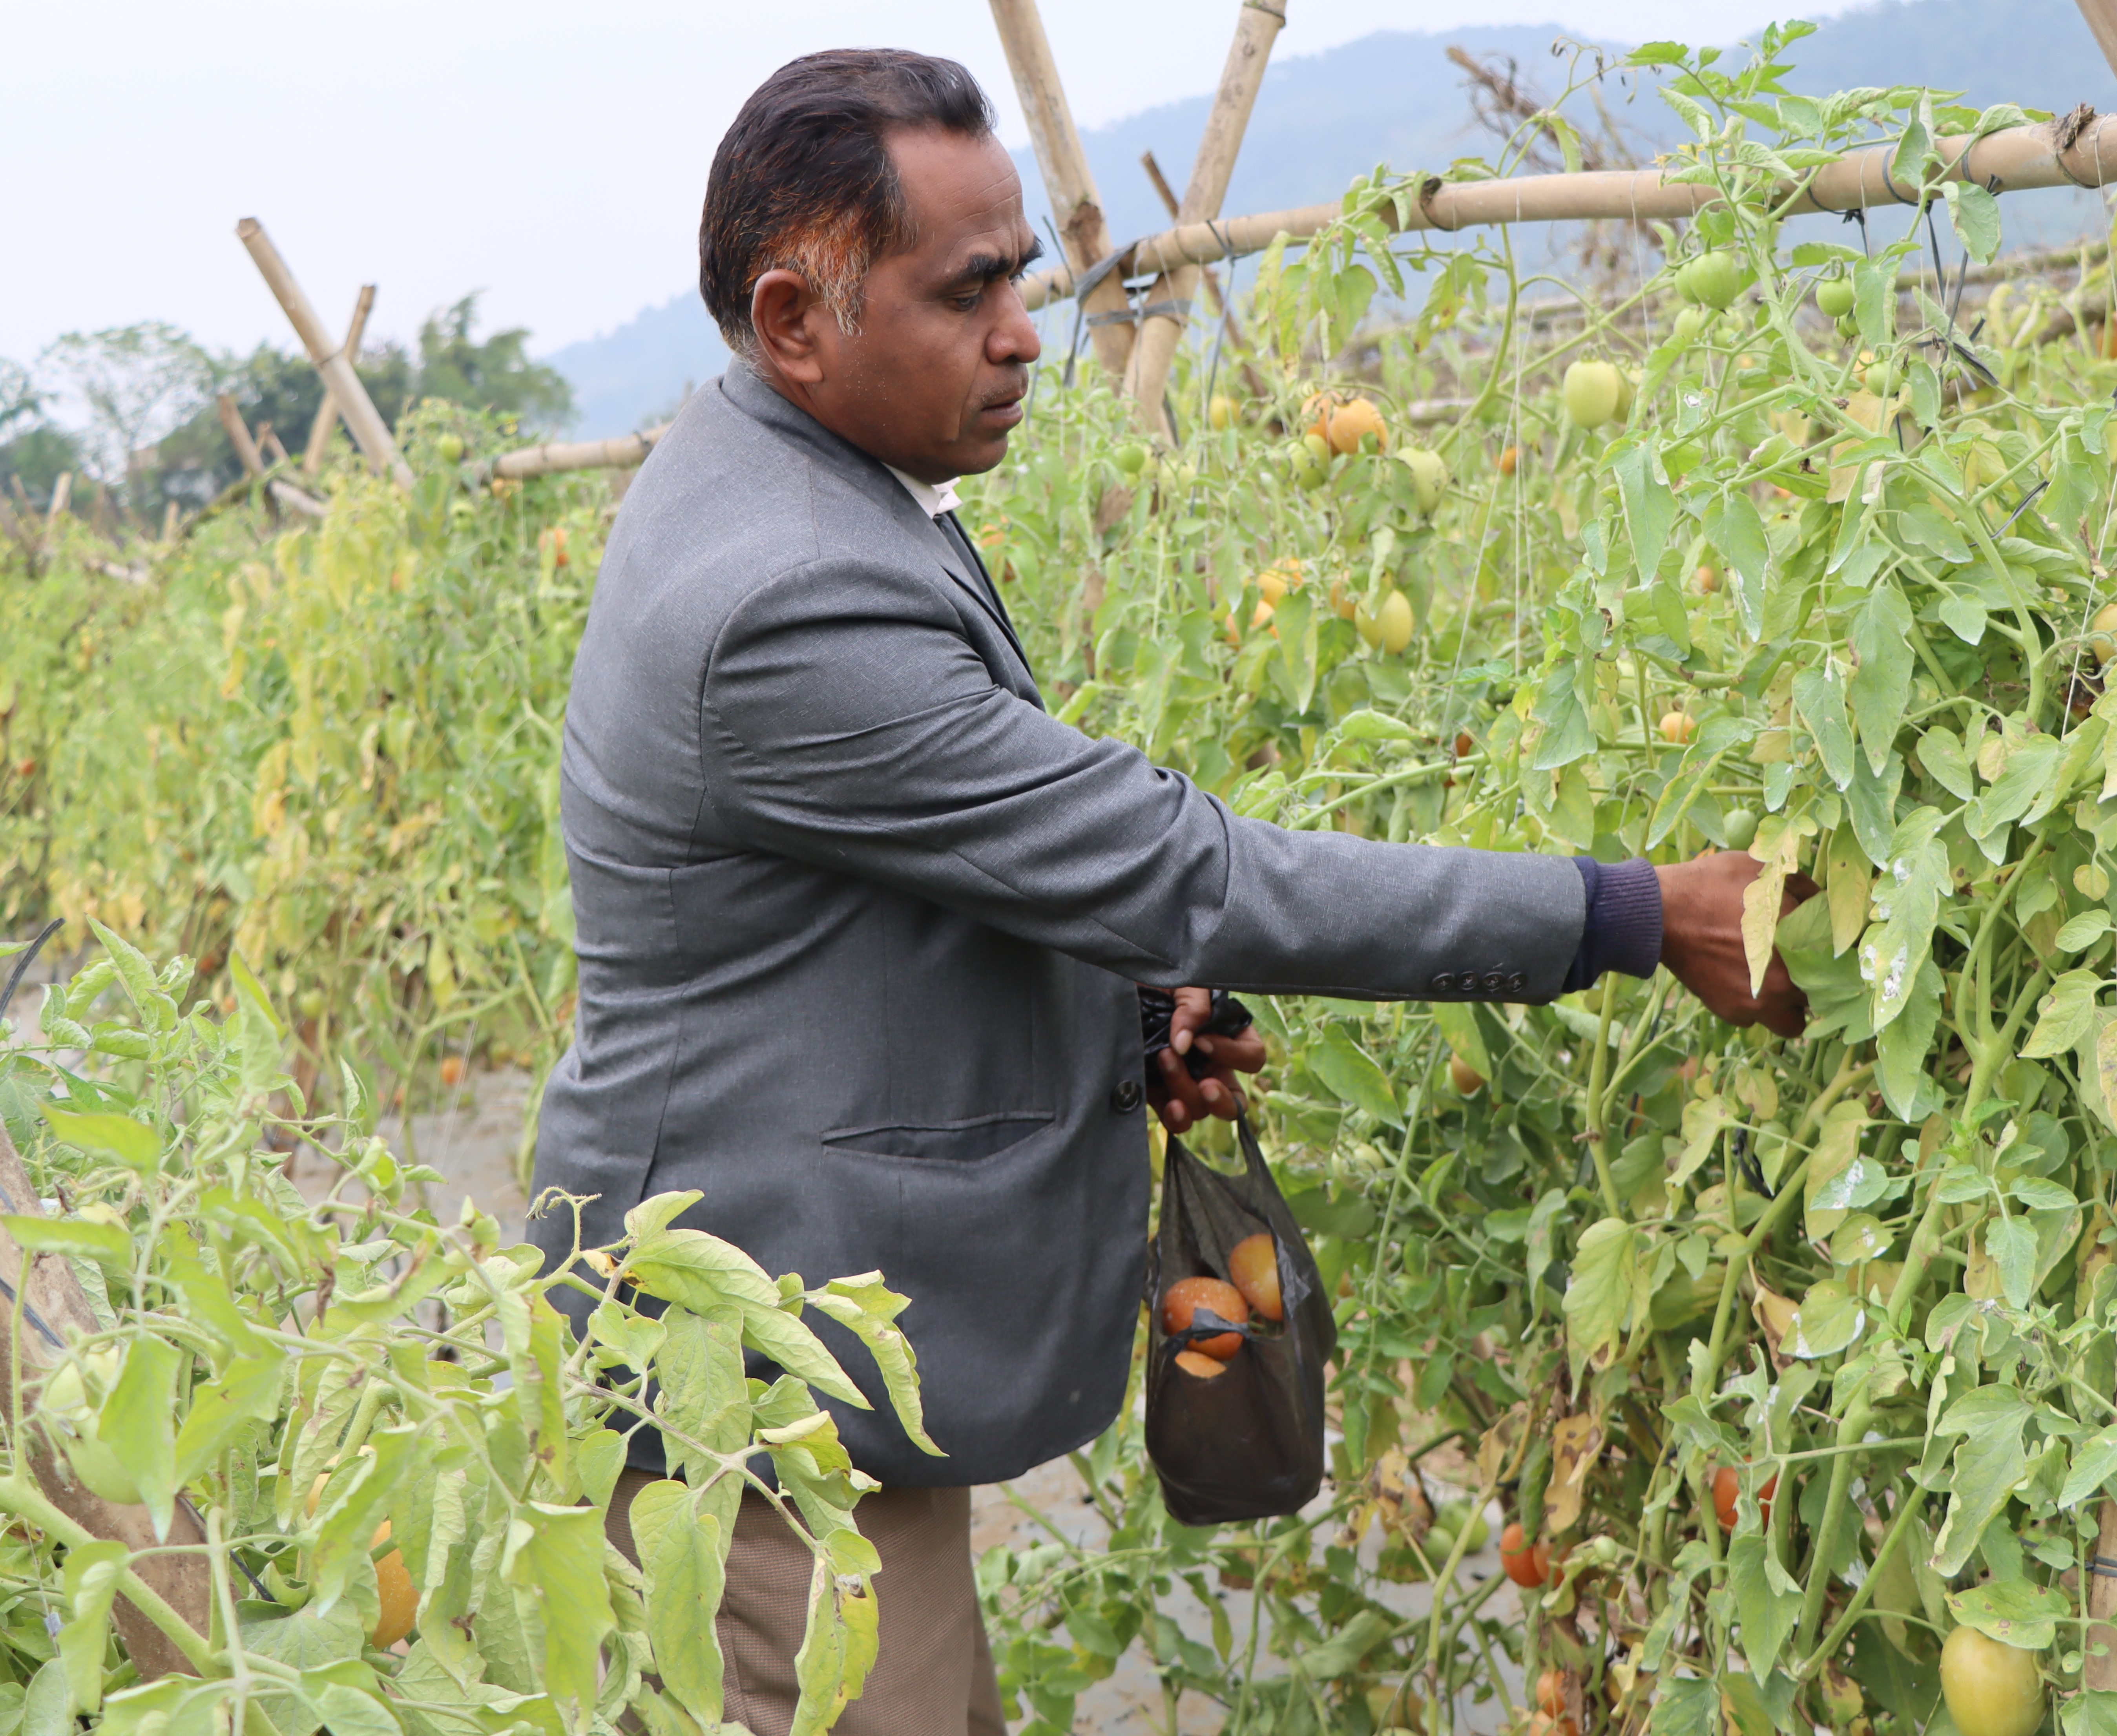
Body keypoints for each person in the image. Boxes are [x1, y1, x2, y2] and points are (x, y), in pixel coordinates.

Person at [529, 47, 1807, 1736]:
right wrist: (1631, 913)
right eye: (969, 292)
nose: (1021, 334)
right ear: (792, 319)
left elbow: (893, 890)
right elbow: (1178, 867)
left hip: (795, 1349)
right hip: (739, 1396)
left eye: (1024, 282)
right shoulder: (782, 594)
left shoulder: (802, 481)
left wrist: (1131, 1011)